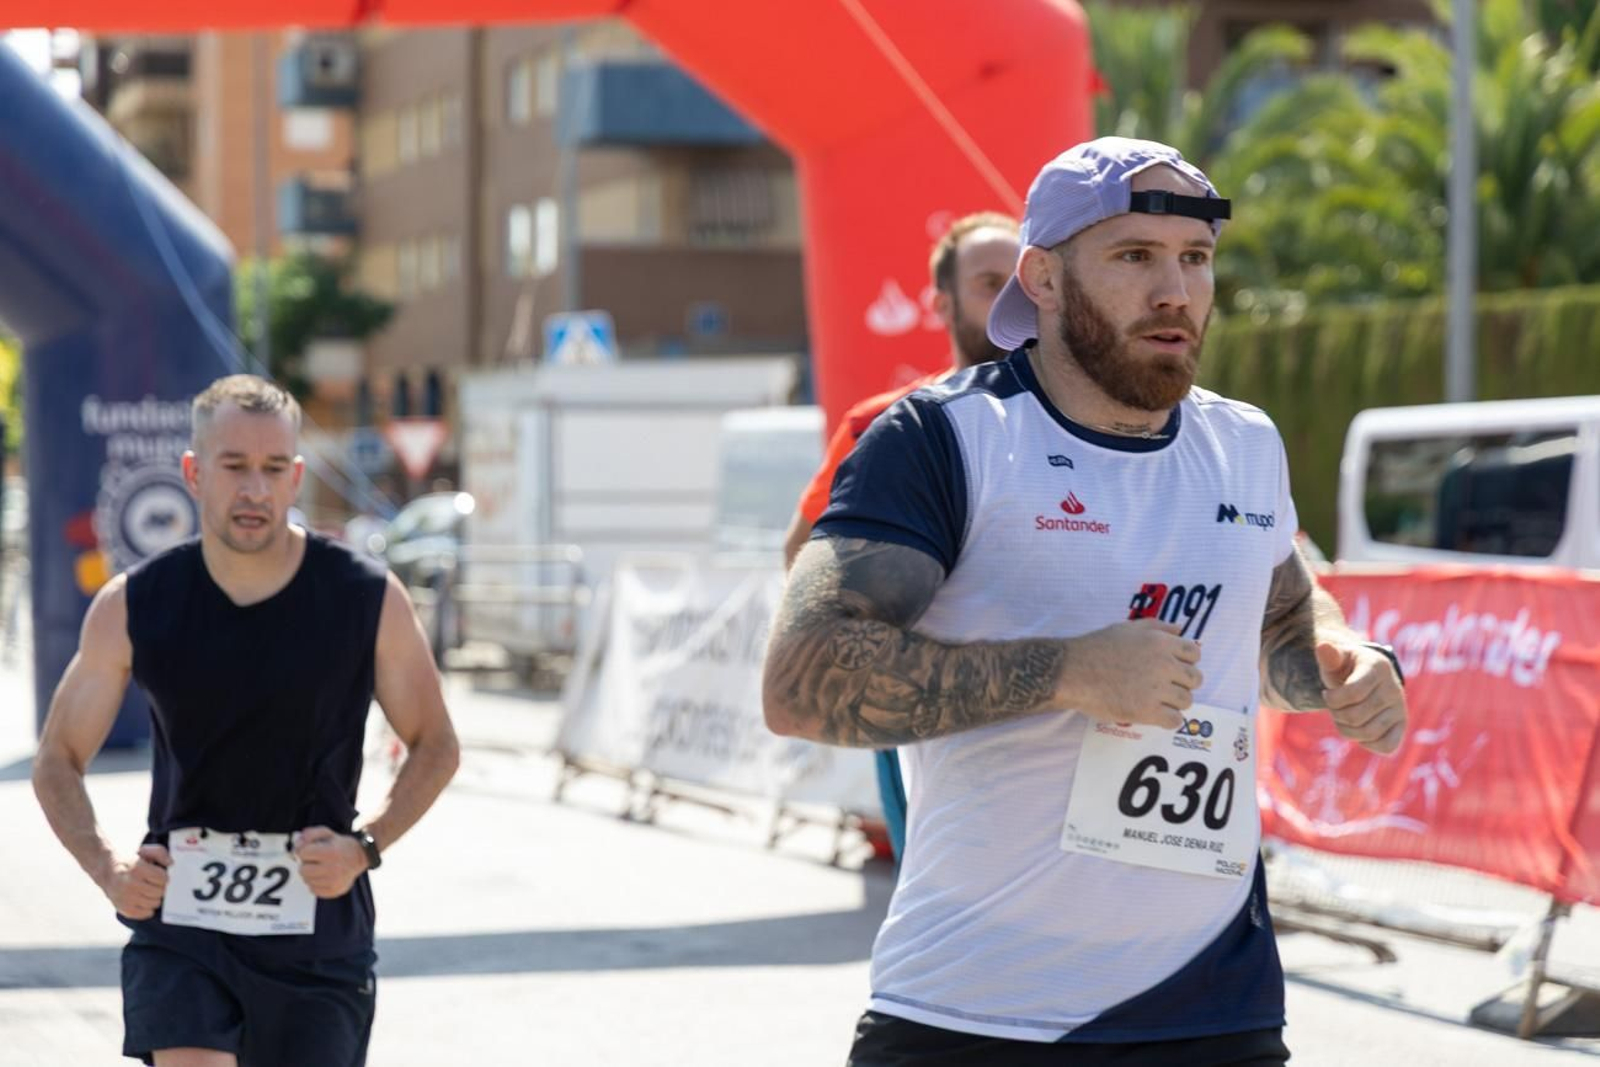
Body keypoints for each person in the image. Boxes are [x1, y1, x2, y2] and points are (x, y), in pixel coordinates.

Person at [762, 137, 1408, 1065]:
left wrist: (1347, 668)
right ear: (1046, 278)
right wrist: (1067, 670)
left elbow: (1283, 616)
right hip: (978, 1011)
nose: (1175, 292)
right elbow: (800, 680)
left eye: (1195, 259)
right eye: (1134, 256)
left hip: (1215, 1003)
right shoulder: (944, 437)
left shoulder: (1245, 443)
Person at [33, 374, 461, 1067]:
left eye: (272, 470)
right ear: (195, 473)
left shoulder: (366, 598)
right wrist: (108, 866)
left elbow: (436, 743)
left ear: (295, 478)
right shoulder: (134, 604)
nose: (254, 489)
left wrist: (366, 845)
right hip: (180, 925)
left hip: (318, 933)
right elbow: (57, 759)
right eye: (234, 467)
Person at [782, 212, 1020, 862]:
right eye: (989, 283)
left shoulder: (1099, 424)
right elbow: (802, 559)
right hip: (937, 726)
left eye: (1023, 281)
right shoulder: (883, 427)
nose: (1010, 301)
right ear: (942, 305)